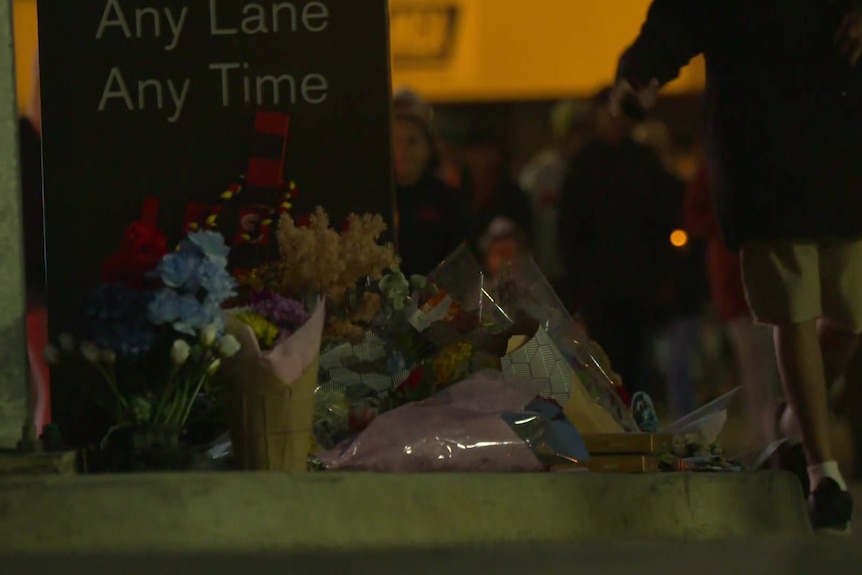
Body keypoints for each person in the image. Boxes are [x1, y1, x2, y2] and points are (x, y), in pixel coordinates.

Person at [613, 0, 862, 533]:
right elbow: (680, 18)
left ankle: (793, 421)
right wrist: (643, 70)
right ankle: (824, 474)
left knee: (851, 317)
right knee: (791, 308)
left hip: (842, 141)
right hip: (763, 146)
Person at [557, 87, 681, 398]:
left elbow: (662, 220)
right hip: (597, 288)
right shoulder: (584, 164)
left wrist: (663, 273)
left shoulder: (643, 161)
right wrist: (575, 286)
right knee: (601, 365)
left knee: (635, 365)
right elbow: (570, 229)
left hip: (637, 285)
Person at [684, 161, 782, 450]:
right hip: (742, 280)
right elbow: (695, 214)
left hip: (758, 277)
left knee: (764, 365)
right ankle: (768, 432)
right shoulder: (715, 166)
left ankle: (770, 432)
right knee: (758, 366)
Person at [391, 90, 466, 275]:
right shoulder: (372, 201)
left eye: (412, 141)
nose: (401, 151)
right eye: (394, 141)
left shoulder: (447, 201)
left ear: (429, 148)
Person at [519, 100, 595, 281]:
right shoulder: (540, 172)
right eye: (574, 133)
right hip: (547, 272)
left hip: (587, 272)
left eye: (584, 132)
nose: (580, 140)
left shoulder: (596, 174)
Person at [461, 126, 532, 251]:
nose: (485, 159)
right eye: (477, 151)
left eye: (488, 151)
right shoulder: (458, 196)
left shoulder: (515, 197)